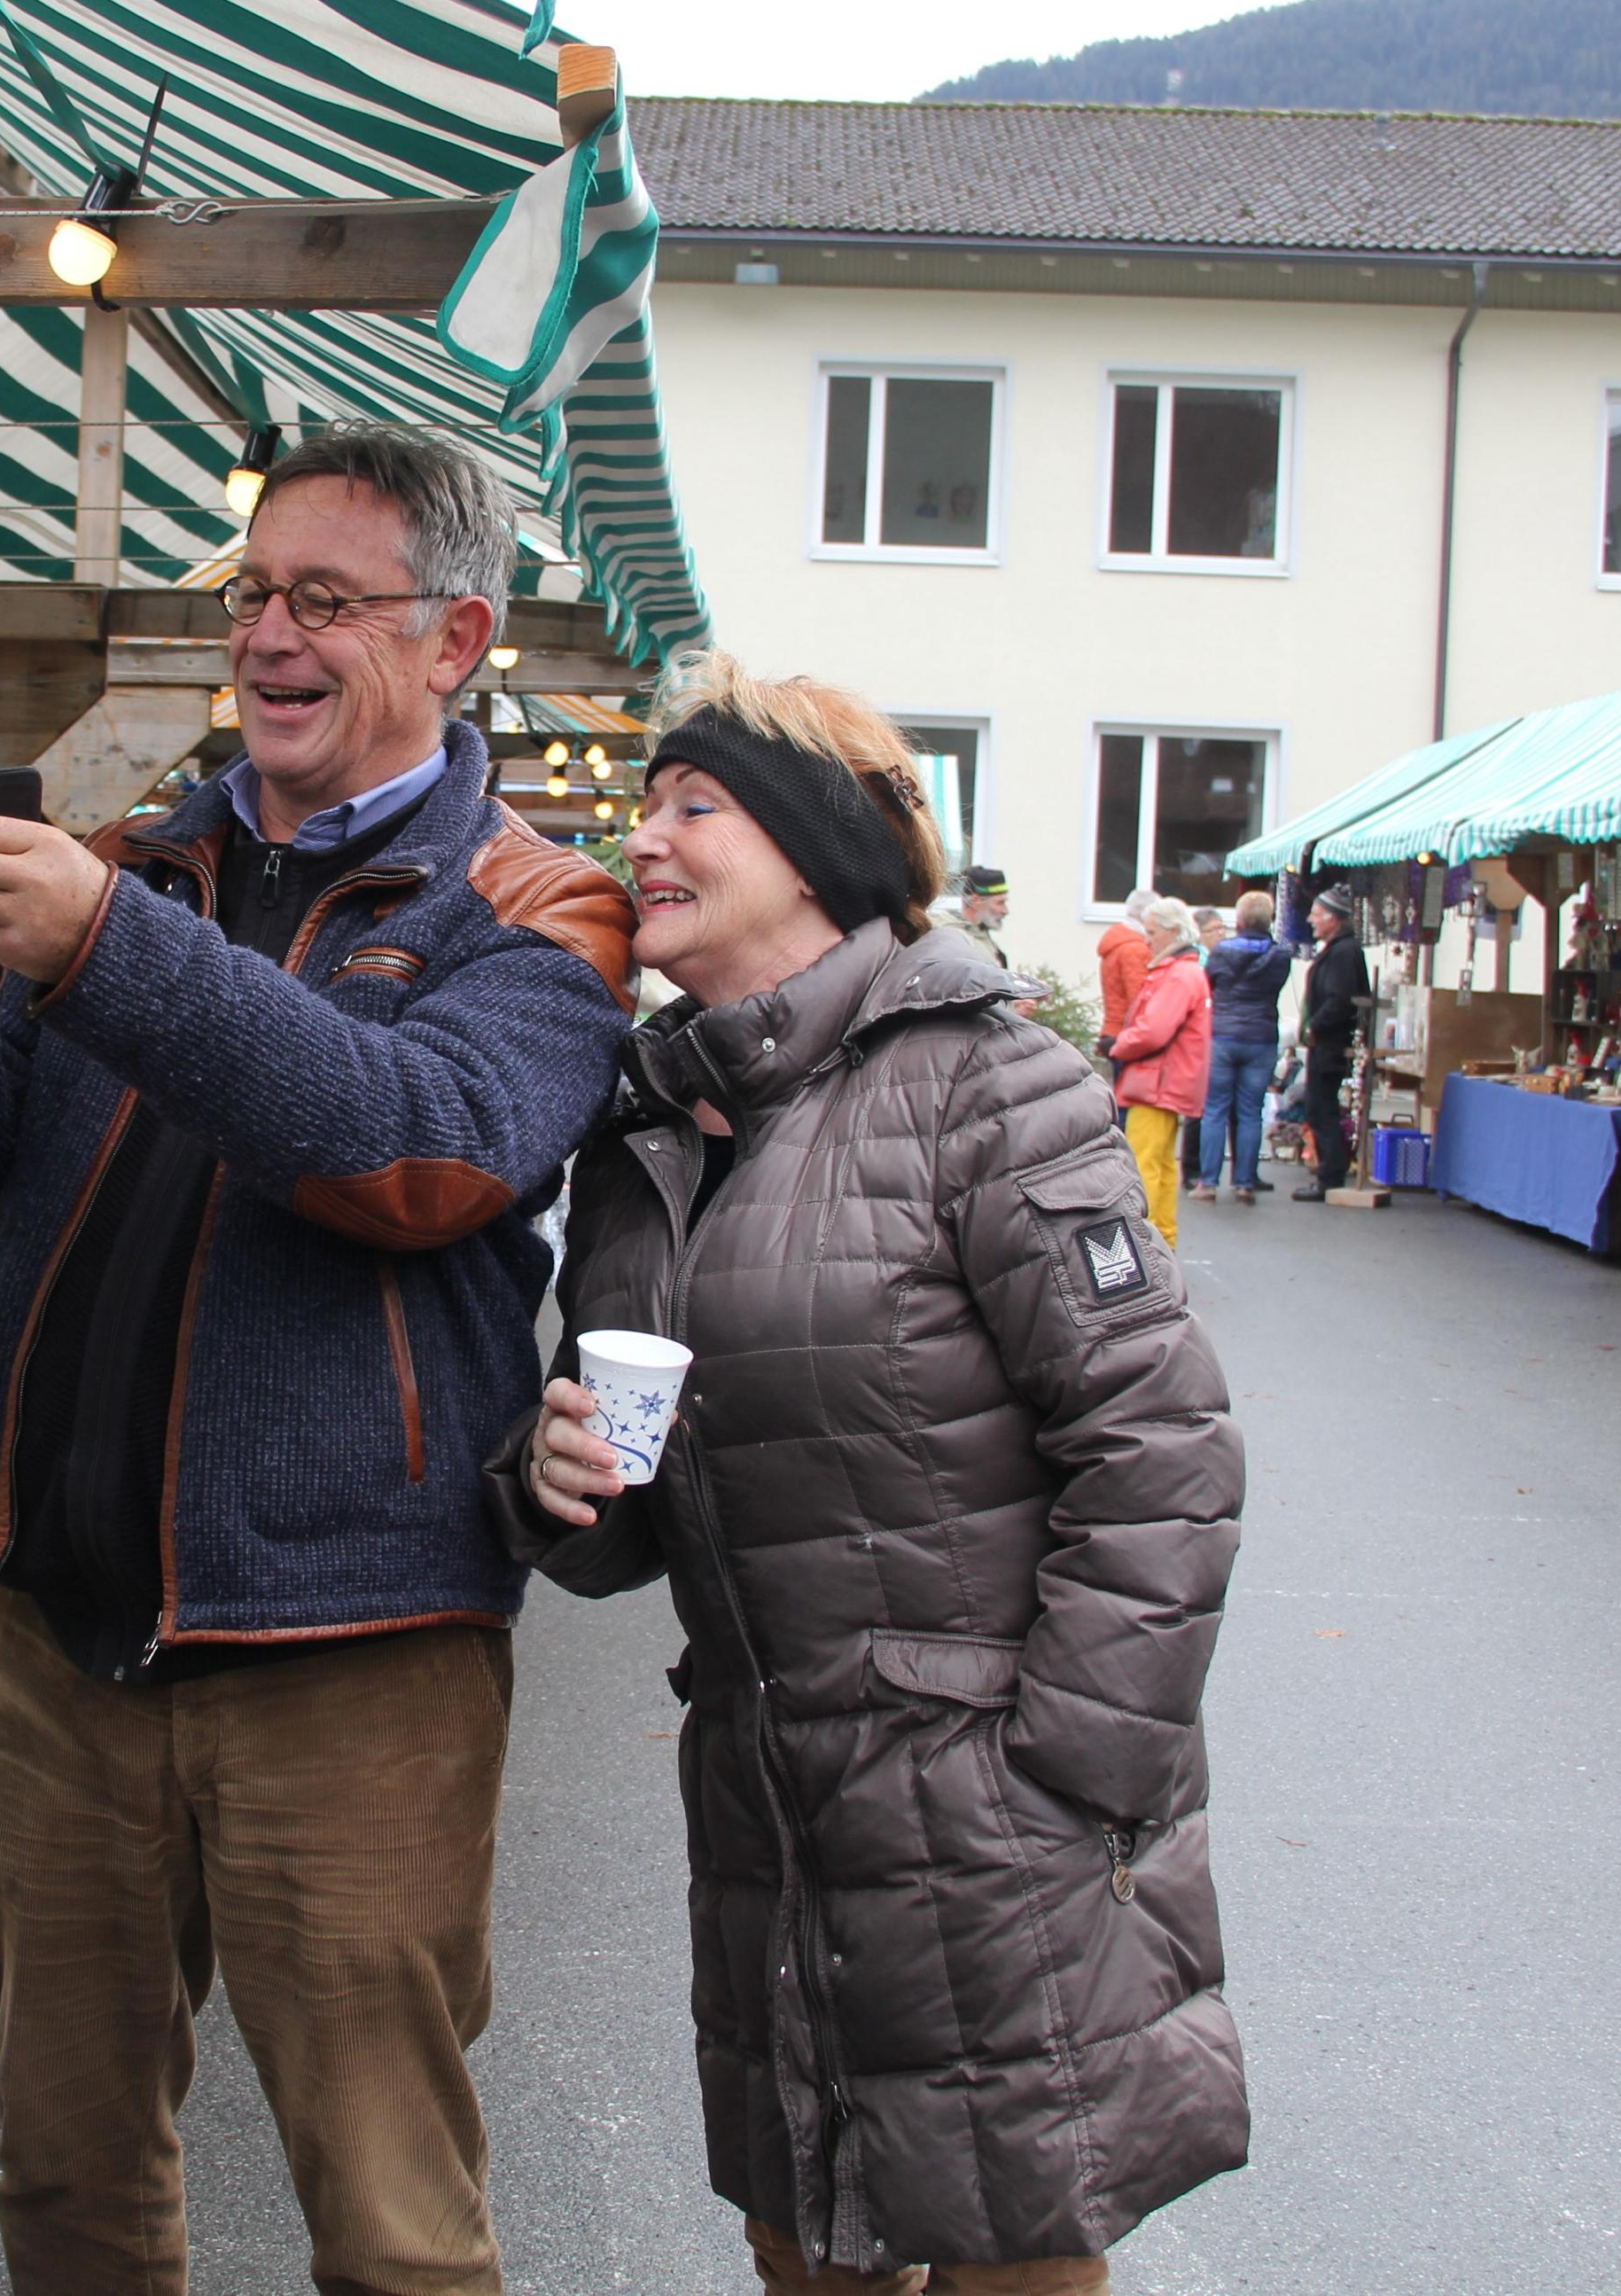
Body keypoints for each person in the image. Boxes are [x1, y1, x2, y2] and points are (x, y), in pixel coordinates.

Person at [0, 426, 635, 2296]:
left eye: (325, 601)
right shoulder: (140, 861)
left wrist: (101, 945)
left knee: (389, 2217)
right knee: (67, 2185)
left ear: (455, 639)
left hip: (350, 1650)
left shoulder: (539, 907)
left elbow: (420, 1154)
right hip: (68, 1633)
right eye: (253, 593)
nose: (269, 636)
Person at [493, 652, 1246, 2296]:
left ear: (817, 848)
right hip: (766, 1802)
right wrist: (554, 1479)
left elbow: (1160, 1447)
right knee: (805, 2243)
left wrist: (1068, 1777)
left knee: (1007, 2246)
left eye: (696, 804)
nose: (644, 840)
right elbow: (633, 1522)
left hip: (991, 1815)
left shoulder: (988, 1081)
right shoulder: (651, 1126)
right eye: (646, 808)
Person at [1104, 899, 1207, 1245]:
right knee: (1162, 1163)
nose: (1146, 941)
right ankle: (1162, 1240)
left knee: (1143, 1163)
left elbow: (1153, 1031)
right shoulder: (1185, 970)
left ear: (1173, 931)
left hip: (1156, 1081)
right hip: (1169, 1080)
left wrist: (1117, 1045)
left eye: (1151, 932)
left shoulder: (1177, 974)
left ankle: (1142, 1241)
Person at [1197, 892, 1290, 1204]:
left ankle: (1208, 1182)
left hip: (1223, 1036)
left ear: (1238, 920)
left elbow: (1208, 986)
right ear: (1269, 920)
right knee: (1251, 1111)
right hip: (1261, 1038)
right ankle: (1245, 1183)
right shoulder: (1280, 956)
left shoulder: (1222, 952)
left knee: (1215, 1109)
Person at [1291, 885, 1366, 1202]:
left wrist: (1315, 1027)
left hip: (1330, 1043)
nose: (1310, 920)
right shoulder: (1338, 950)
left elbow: (1339, 1000)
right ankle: (1328, 1172)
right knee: (1318, 1106)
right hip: (1325, 1042)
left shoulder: (1343, 953)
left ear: (1334, 919)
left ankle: (1330, 1176)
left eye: (1317, 914)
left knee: (1322, 1108)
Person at [1095, 886, 1154, 1053]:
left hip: (1114, 1029)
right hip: (1126, 1033)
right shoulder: (1135, 949)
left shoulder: (1120, 941)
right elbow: (1139, 1000)